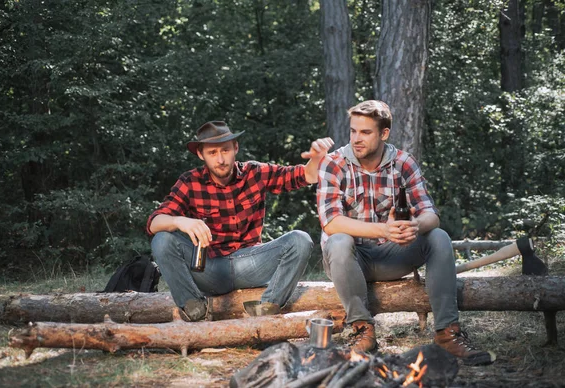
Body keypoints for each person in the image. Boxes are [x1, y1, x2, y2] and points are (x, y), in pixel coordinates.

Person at [316, 100, 496, 366]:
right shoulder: (334, 163)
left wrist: (414, 226)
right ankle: (363, 331)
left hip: (392, 256)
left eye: (365, 132)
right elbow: (330, 222)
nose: (357, 139)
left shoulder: (403, 163)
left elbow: (430, 214)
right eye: (353, 131)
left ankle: (447, 333)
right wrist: (384, 230)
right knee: (340, 240)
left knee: (438, 237)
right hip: (349, 261)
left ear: (384, 133)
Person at [147, 121, 334, 321]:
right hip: (209, 268)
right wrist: (180, 221)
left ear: (235, 148)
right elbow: (153, 223)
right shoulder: (189, 182)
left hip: (251, 263)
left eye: (225, 150)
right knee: (162, 239)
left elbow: (306, 175)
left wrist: (316, 159)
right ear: (201, 155)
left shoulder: (255, 173)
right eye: (212, 153)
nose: (220, 159)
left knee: (300, 240)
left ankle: (266, 310)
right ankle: (194, 310)